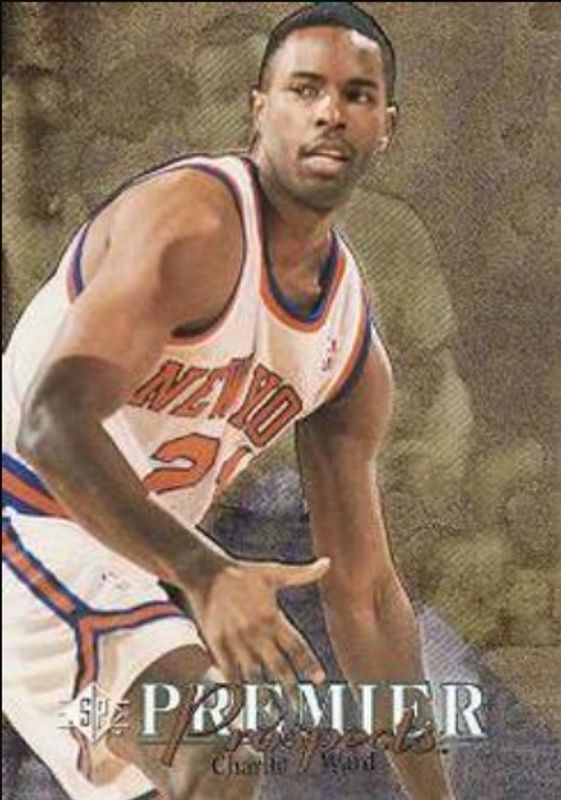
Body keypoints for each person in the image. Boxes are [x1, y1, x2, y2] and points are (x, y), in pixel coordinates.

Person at [2, 3, 455, 799]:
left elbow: (365, 595)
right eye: (304, 89)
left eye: (355, 94)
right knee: (214, 750)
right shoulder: (193, 220)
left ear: (386, 125)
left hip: (126, 562)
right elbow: (51, 424)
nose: (328, 112)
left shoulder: (348, 344)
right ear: (259, 107)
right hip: (28, 515)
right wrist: (205, 573)